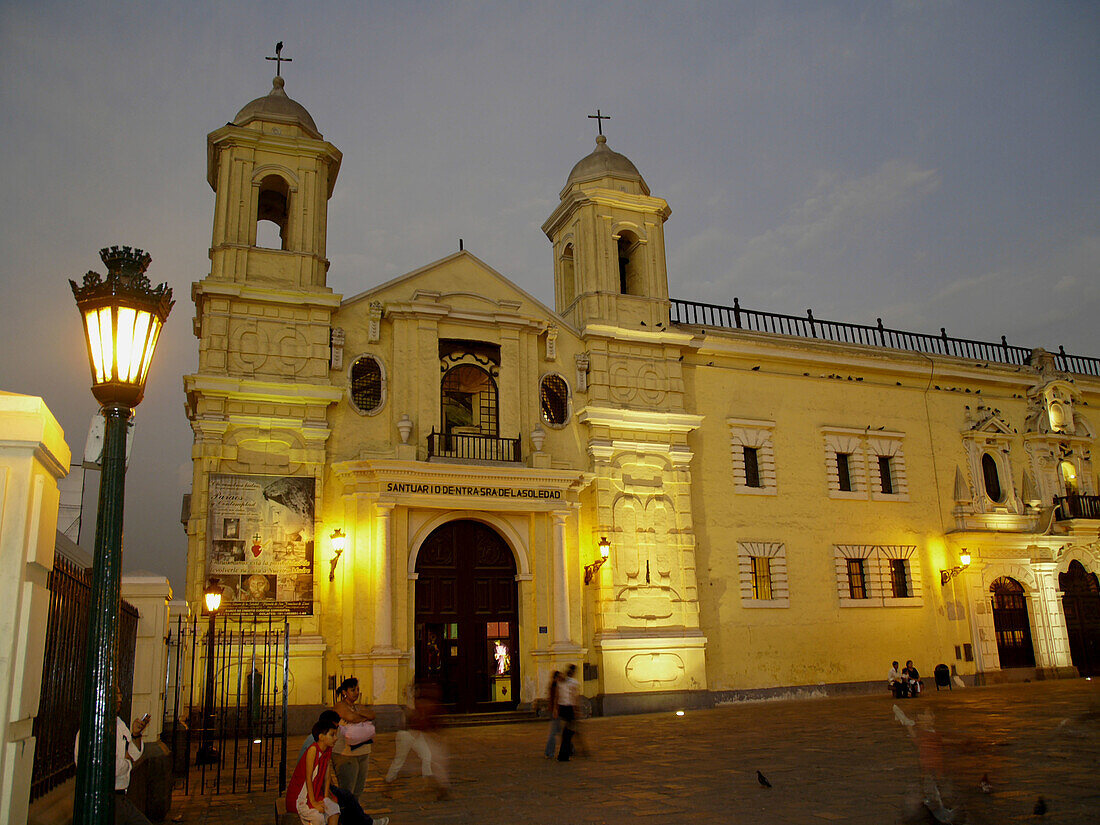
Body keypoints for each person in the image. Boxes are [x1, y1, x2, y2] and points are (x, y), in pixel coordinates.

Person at [74, 688, 151, 824]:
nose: (120, 699)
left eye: (120, 695)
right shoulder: (94, 727)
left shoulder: (118, 723)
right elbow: (107, 766)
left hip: (121, 797)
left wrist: (136, 735)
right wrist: (128, 763)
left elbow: (133, 753)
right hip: (105, 798)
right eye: (115, 695)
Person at [384, 679, 449, 799]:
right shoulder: (414, 703)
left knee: (427, 756)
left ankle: (430, 784)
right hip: (406, 734)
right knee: (399, 760)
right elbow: (416, 719)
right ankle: (388, 783)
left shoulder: (422, 703)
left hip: (417, 734)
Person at [286, 718, 340, 825]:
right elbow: (308, 777)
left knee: (334, 809)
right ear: (321, 737)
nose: (336, 738)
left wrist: (325, 797)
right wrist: (313, 802)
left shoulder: (327, 750)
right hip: (301, 796)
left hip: (316, 793)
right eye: (332, 735)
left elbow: (327, 777)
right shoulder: (313, 750)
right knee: (318, 817)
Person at [332, 677, 375, 798]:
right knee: (347, 790)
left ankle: (355, 816)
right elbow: (352, 718)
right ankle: (345, 816)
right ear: (344, 692)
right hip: (346, 754)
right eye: (353, 690)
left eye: (357, 689)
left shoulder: (358, 706)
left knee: (358, 790)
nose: (356, 693)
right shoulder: (339, 706)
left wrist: (358, 715)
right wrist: (362, 717)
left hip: (363, 751)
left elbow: (372, 714)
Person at [557, 664, 580, 761]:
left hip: (561, 707)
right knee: (569, 731)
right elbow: (574, 697)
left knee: (567, 731)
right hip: (569, 707)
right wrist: (576, 710)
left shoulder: (561, 682)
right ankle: (564, 753)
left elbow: (558, 695)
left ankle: (568, 750)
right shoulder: (573, 682)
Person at [544, 671, 562, 758]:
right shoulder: (555, 685)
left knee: (561, 731)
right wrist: (555, 710)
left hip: (555, 710)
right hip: (556, 711)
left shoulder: (553, 685)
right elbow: (555, 698)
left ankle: (570, 749)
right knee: (554, 733)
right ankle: (549, 752)